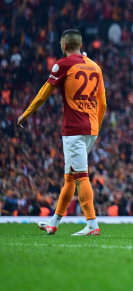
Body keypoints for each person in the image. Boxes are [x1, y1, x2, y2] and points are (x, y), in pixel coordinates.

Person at [18, 29, 106, 236]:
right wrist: (97, 127)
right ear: (80, 45)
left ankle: (92, 225)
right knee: (70, 178)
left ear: (64, 45)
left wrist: (26, 113)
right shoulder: (95, 66)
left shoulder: (64, 64)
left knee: (81, 177)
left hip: (74, 128)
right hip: (91, 128)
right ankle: (54, 222)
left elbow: (43, 93)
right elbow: (103, 102)